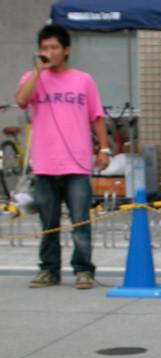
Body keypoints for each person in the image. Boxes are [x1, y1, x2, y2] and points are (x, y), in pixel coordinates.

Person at [15, 24, 110, 289]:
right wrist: (38, 70)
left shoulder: (84, 80)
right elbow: (21, 100)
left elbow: (97, 116)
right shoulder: (32, 77)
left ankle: (83, 269)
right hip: (45, 163)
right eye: (44, 48)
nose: (49, 52)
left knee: (80, 220)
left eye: (54, 47)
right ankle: (49, 269)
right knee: (49, 222)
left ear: (66, 49)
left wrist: (104, 149)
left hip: (77, 163)